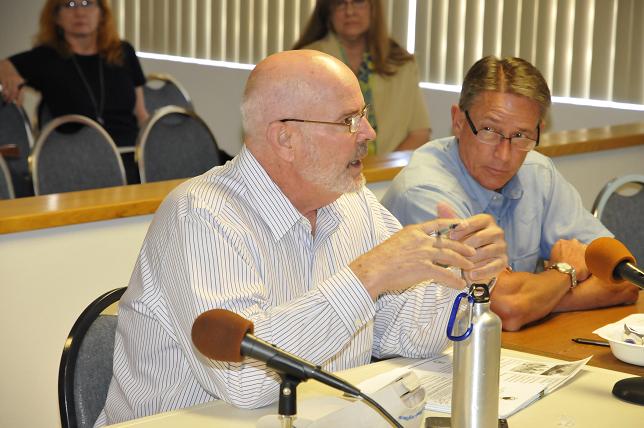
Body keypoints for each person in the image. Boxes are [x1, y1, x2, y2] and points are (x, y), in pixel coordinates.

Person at [95, 50, 507, 425]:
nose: (369, 132)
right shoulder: (202, 215)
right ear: (285, 138)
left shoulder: (353, 203)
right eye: (349, 120)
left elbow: (410, 335)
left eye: (363, 114)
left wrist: (473, 279)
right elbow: (245, 384)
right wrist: (367, 276)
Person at [381, 56, 640, 332]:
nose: (504, 156)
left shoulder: (538, 172)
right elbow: (507, 309)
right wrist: (568, 271)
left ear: (539, 130)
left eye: (520, 136)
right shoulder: (426, 192)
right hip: (417, 360)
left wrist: (536, 297)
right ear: (458, 121)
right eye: (490, 131)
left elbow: (622, 282)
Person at [0, 0, 149, 184]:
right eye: (70, 4)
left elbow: (141, 113)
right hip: (76, 161)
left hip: (128, 154)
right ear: (56, 16)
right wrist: (9, 76)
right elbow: (3, 65)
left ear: (101, 13)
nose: (79, 12)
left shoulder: (123, 52)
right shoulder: (46, 57)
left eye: (87, 3)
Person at [292, 0, 430, 154]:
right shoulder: (305, 61)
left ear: (373, 8)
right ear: (327, 11)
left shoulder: (401, 62)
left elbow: (419, 133)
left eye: (358, 2)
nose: (350, 11)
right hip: (326, 172)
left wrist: (383, 169)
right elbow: (297, 132)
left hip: (387, 173)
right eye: (340, 3)